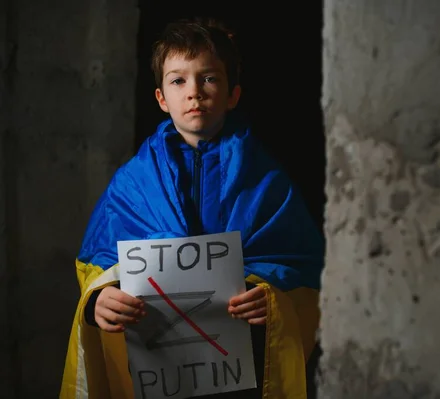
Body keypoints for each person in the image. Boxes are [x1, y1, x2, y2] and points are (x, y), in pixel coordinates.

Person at [60, 17, 323, 399]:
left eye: (210, 78)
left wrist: (271, 296)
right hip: (155, 371)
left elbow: (303, 267)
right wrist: (98, 300)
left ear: (233, 94)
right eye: (178, 80)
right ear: (161, 98)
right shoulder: (133, 182)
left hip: (241, 370)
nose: (194, 92)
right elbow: (97, 264)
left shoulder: (266, 179)